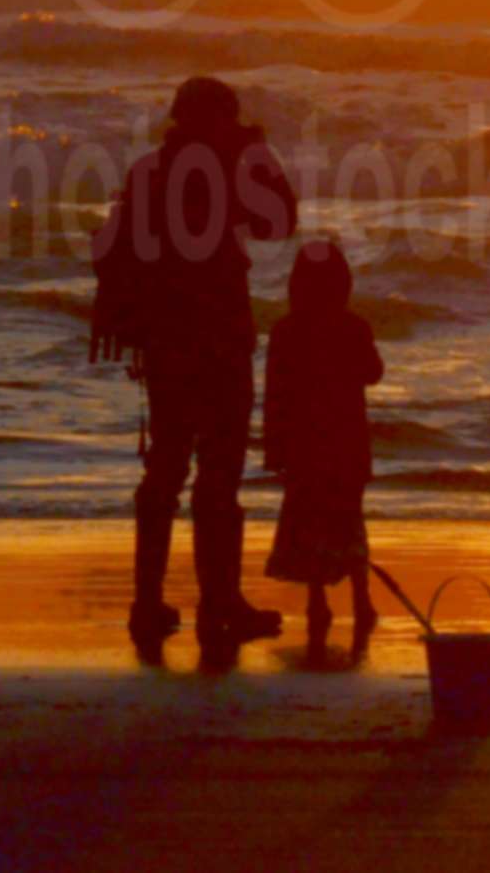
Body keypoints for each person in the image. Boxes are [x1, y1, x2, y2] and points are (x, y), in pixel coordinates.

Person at [93, 76, 297, 648]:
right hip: (216, 335)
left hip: (166, 341)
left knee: (168, 467)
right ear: (221, 120)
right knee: (217, 469)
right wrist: (255, 154)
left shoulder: (149, 172)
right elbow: (280, 220)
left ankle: (150, 602)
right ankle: (217, 601)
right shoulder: (233, 167)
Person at [262, 239, 384, 644]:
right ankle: (362, 601)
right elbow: (374, 373)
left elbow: (274, 394)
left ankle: (317, 600)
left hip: (303, 445)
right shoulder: (353, 326)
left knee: (310, 522)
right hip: (348, 442)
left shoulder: (285, 330)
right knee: (350, 521)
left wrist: (273, 447)